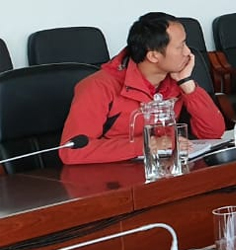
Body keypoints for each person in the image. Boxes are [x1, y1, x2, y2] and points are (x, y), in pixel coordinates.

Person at [60, 12, 226, 164]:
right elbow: (72, 151)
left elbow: (212, 133)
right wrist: (147, 145)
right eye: (180, 46)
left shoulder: (174, 79)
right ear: (153, 56)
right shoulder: (97, 87)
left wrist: (187, 84)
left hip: (164, 168)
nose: (188, 52)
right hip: (115, 174)